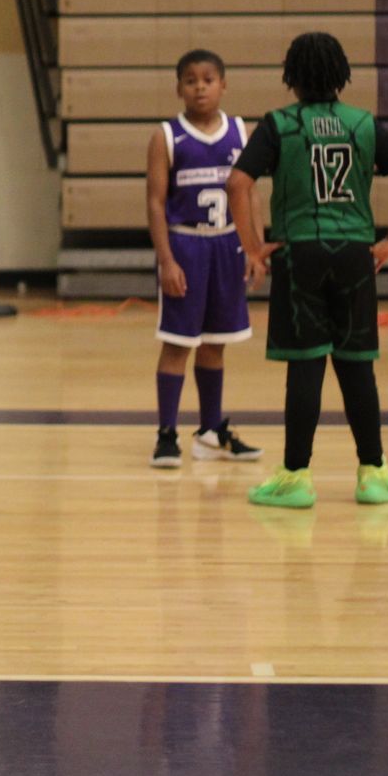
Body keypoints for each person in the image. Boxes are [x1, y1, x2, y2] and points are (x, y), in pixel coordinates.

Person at [227, 32, 388, 509]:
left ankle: (296, 477)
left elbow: (237, 182)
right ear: (342, 75)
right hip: (355, 254)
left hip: (300, 253)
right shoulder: (363, 123)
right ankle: (373, 473)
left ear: (291, 76)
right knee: (357, 367)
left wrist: (253, 247)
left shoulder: (279, 124)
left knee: (306, 366)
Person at [144, 49, 262, 468]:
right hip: (187, 247)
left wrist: (255, 248)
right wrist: (166, 260)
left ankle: (211, 433)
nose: (200, 87)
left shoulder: (240, 131)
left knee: (216, 343)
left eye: (208, 80)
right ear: (178, 87)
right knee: (178, 343)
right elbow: (155, 203)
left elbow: (249, 194)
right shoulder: (166, 136)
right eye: (191, 80)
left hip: (227, 245)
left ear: (223, 85)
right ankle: (166, 433)